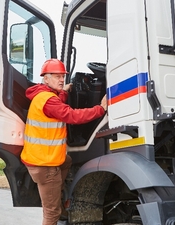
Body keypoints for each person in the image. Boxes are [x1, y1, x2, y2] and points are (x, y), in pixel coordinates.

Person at [21, 58, 107, 225]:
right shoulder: (49, 101)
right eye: (56, 76)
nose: (61, 80)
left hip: (41, 159)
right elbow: (72, 116)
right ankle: (57, 202)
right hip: (45, 165)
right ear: (46, 79)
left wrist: (64, 91)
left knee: (67, 161)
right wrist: (101, 109)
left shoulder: (44, 95)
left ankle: (58, 196)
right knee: (51, 213)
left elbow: (57, 100)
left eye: (63, 76)